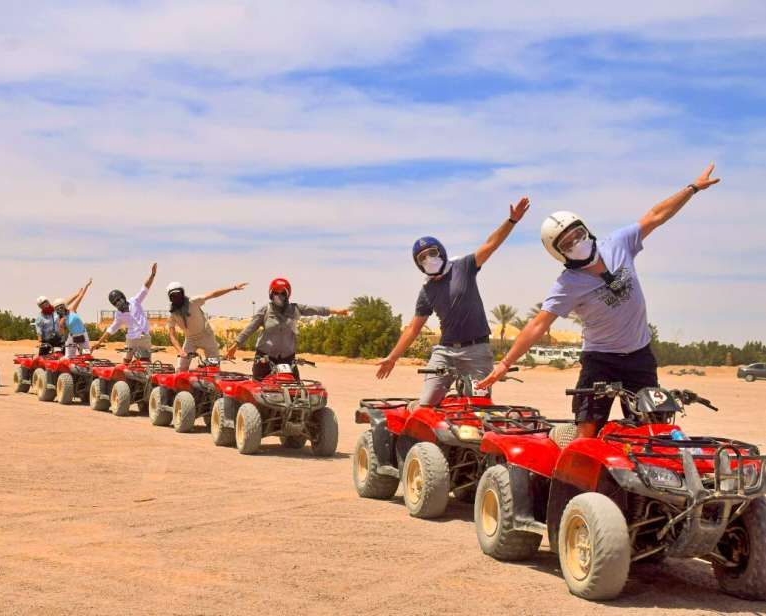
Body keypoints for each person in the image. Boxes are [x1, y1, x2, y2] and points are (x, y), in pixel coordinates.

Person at [478, 164, 721, 439]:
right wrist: (505, 364)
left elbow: (655, 216)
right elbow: (538, 325)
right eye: (567, 243)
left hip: (639, 356)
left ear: (586, 229)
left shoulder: (618, 243)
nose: (577, 242)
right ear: (558, 253)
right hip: (600, 360)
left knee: (651, 431)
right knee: (587, 431)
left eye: (578, 234)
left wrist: (692, 189)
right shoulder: (567, 284)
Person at [375, 197, 531, 405]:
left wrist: (511, 221)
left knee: (479, 407)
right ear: (418, 264)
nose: (428, 259)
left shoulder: (463, 267)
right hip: (445, 351)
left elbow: (490, 245)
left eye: (432, 253)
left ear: (441, 252)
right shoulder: (427, 290)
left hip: (476, 350)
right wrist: (393, 357)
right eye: (422, 258)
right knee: (427, 403)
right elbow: (413, 328)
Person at [225, 278, 349, 380]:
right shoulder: (265, 310)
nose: (279, 296)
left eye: (282, 293)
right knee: (258, 390)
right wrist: (235, 345)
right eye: (276, 292)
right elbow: (250, 328)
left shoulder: (295, 309)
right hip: (265, 358)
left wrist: (336, 311)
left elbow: (316, 309)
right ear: (271, 293)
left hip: (288, 358)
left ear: (288, 294)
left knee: (295, 390)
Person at [167, 280, 248, 371]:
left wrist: (233, 288)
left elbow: (213, 294)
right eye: (173, 296)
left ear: (182, 293)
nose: (176, 298)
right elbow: (172, 335)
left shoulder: (193, 301)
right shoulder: (172, 314)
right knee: (180, 368)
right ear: (170, 298)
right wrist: (180, 351)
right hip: (190, 339)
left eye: (178, 294)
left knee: (213, 368)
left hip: (206, 336)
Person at [91, 263, 158, 362]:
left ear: (123, 297)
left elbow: (145, 288)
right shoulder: (119, 315)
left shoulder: (135, 301)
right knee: (126, 362)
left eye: (119, 300)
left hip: (145, 337)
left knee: (146, 362)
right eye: (115, 303)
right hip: (131, 339)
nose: (118, 303)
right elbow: (111, 329)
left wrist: (152, 275)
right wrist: (98, 343)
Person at [56, 278, 94, 358]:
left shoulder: (72, 310)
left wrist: (87, 285)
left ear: (64, 306)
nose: (60, 309)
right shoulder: (60, 319)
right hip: (72, 336)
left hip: (83, 334)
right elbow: (61, 333)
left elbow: (81, 296)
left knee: (86, 355)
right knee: (68, 356)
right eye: (58, 308)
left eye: (61, 307)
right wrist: (61, 325)